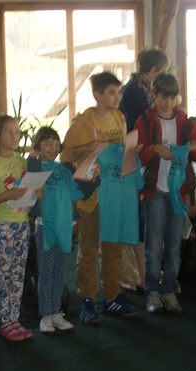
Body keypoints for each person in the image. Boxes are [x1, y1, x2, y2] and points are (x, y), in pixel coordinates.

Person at [60, 71, 140, 324]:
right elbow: (66, 155)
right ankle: (87, 299)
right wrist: (86, 148)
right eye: (112, 93)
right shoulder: (83, 122)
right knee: (89, 249)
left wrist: (131, 151)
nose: (117, 97)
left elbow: (121, 152)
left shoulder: (119, 117)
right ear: (97, 95)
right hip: (92, 196)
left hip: (115, 193)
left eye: (119, 92)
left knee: (113, 247)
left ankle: (111, 296)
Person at [135, 73, 196, 313]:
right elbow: (137, 156)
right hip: (154, 190)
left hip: (178, 191)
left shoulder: (186, 122)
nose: (168, 102)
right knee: (153, 247)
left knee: (174, 246)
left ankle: (170, 291)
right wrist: (154, 148)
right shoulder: (144, 121)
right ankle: (153, 291)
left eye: (172, 97)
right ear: (153, 95)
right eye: (163, 97)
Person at [27, 126, 98, 332]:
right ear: (38, 145)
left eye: (56, 144)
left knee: (59, 273)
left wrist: (94, 178)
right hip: (45, 227)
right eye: (47, 143)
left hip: (65, 227)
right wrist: (33, 156)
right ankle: (45, 315)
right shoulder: (36, 168)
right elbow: (30, 177)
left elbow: (80, 192)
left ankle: (56, 312)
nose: (53, 148)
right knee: (45, 273)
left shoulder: (65, 168)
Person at [119, 46, 168, 295]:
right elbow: (141, 127)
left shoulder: (139, 89)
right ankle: (140, 273)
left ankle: (146, 270)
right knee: (140, 219)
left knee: (146, 218)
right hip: (136, 158)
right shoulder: (135, 92)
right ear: (153, 70)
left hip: (142, 157)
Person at [0, 114, 39, 341]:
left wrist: (36, 191)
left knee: (18, 273)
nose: (14, 136)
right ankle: (5, 320)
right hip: (0, 225)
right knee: (3, 273)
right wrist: (9, 195)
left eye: (17, 132)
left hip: (21, 223)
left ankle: (14, 318)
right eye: (8, 132)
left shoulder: (22, 161)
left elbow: (29, 189)